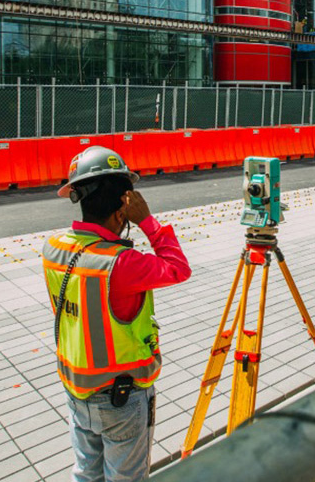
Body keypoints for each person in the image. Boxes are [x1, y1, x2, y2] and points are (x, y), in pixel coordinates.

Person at [43, 146, 192, 482]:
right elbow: (179, 268)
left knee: (86, 474)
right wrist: (149, 223)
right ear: (123, 206)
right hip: (121, 399)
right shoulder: (122, 263)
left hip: (76, 389)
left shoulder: (52, 248)